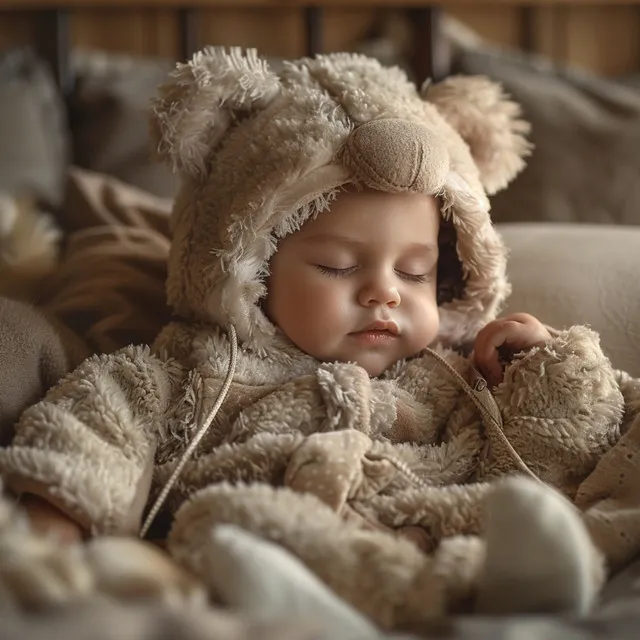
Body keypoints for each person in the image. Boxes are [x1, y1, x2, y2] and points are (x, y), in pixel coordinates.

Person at [0, 48, 627, 629]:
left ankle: (505, 580)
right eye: (337, 267)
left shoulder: (452, 375)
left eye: (415, 273)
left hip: (419, 531)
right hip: (259, 543)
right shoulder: (188, 371)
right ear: (252, 264)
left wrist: (547, 365)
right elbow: (95, 422)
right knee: (228, 524)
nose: (385, 294)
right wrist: (55, 518)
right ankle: (400, 598)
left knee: (497, 510)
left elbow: (550, 455)